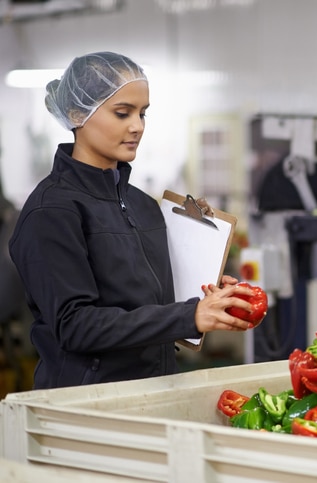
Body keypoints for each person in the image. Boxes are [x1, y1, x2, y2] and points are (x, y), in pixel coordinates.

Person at [9, 51, 256, 389]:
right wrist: (189, 316)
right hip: (85, 406)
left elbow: (153, 302)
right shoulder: (52, 211)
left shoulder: (142, 205)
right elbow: (75, 326)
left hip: (153, 391)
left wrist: (210, 294)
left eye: (143, 113)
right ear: (77, 113)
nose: (137, 126)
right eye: (122, 113)